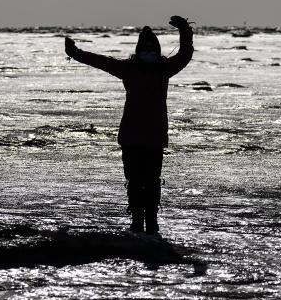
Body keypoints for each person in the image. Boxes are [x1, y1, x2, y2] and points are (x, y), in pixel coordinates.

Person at [65, 16, 194, 234]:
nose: (149, 53)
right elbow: (101, 61)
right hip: (131, 136)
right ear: (138, 50)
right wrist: (76, 54)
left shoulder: (164, 69)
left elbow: (185, 54)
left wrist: (184, 30)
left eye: (152, 49)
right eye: (145, 49)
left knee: (152, 181)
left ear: (158, 50)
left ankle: (152, 221)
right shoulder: (129, 69)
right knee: (134, 181)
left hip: (154, 137)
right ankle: (136, 219)